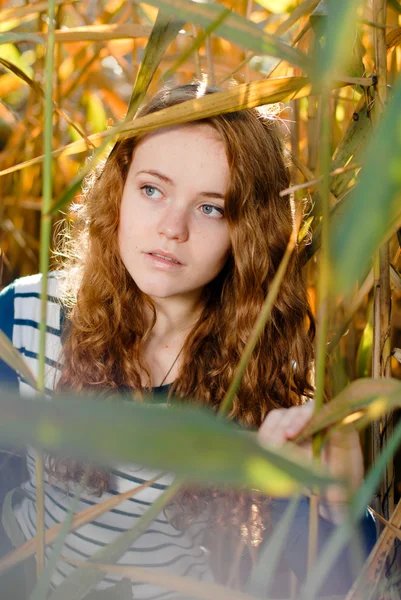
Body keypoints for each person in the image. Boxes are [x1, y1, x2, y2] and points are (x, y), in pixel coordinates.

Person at [0, 82, 376, 599]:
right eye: (152, 189)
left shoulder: (262, 377)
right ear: (119, 189)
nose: (171, 228)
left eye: (210, 208)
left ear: (246, 231)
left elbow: (339, 579)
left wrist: (338, 506)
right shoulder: (25, 321)